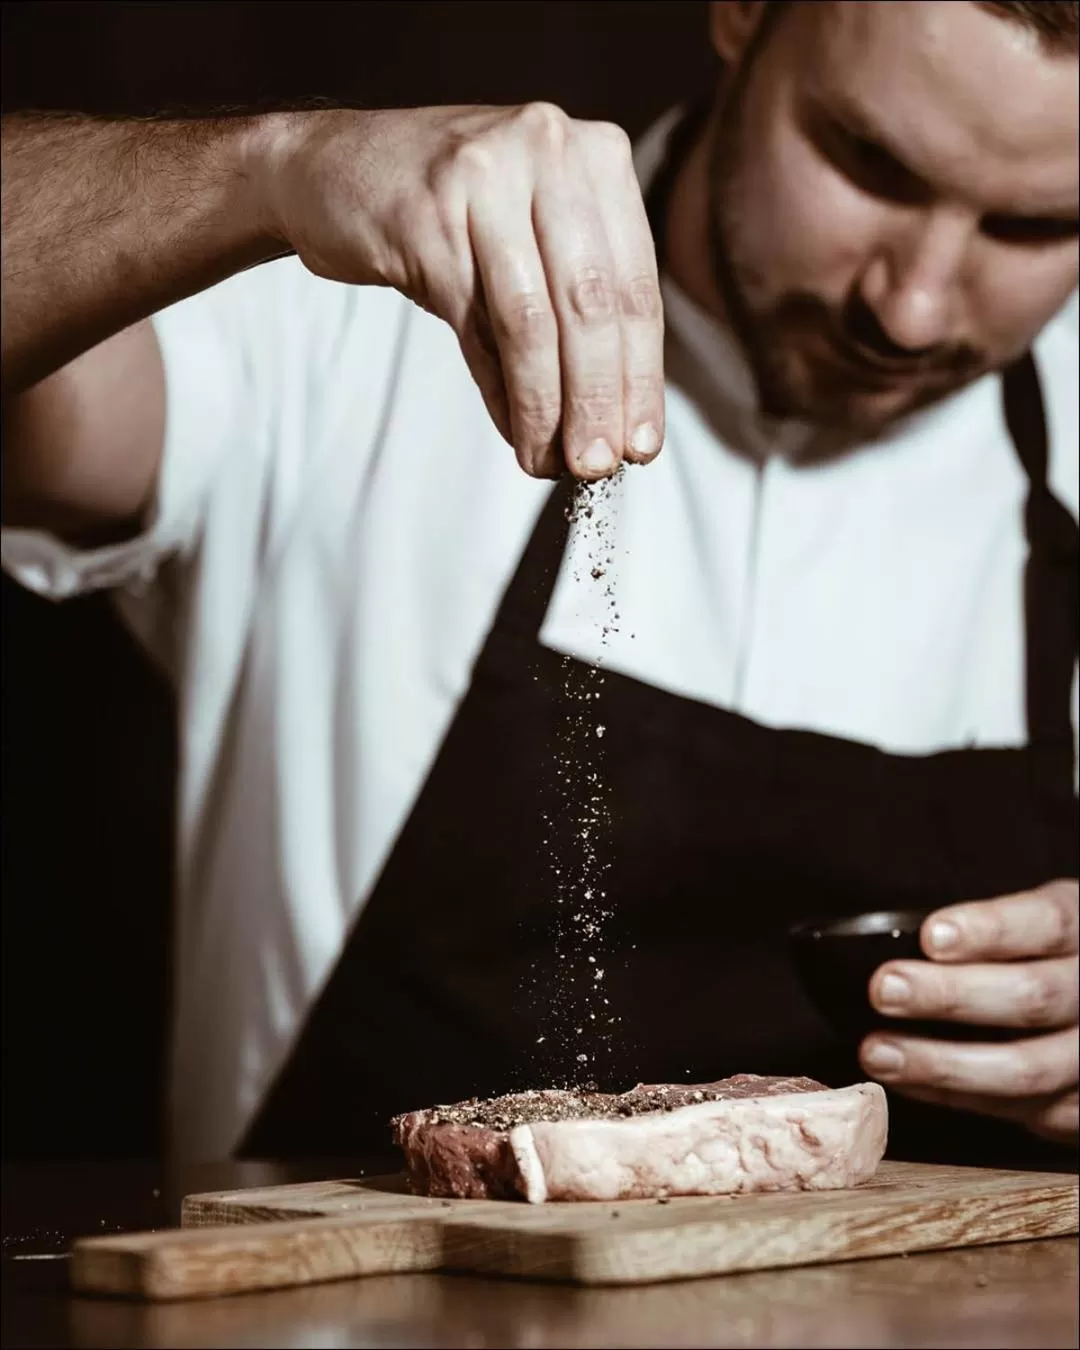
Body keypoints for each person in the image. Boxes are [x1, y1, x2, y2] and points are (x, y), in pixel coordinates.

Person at [2, 0, 1077, 1166]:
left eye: (1034, 225)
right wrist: (264, 173)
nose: (909, 305)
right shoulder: (337, 328)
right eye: (866, 161)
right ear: (743, 15)